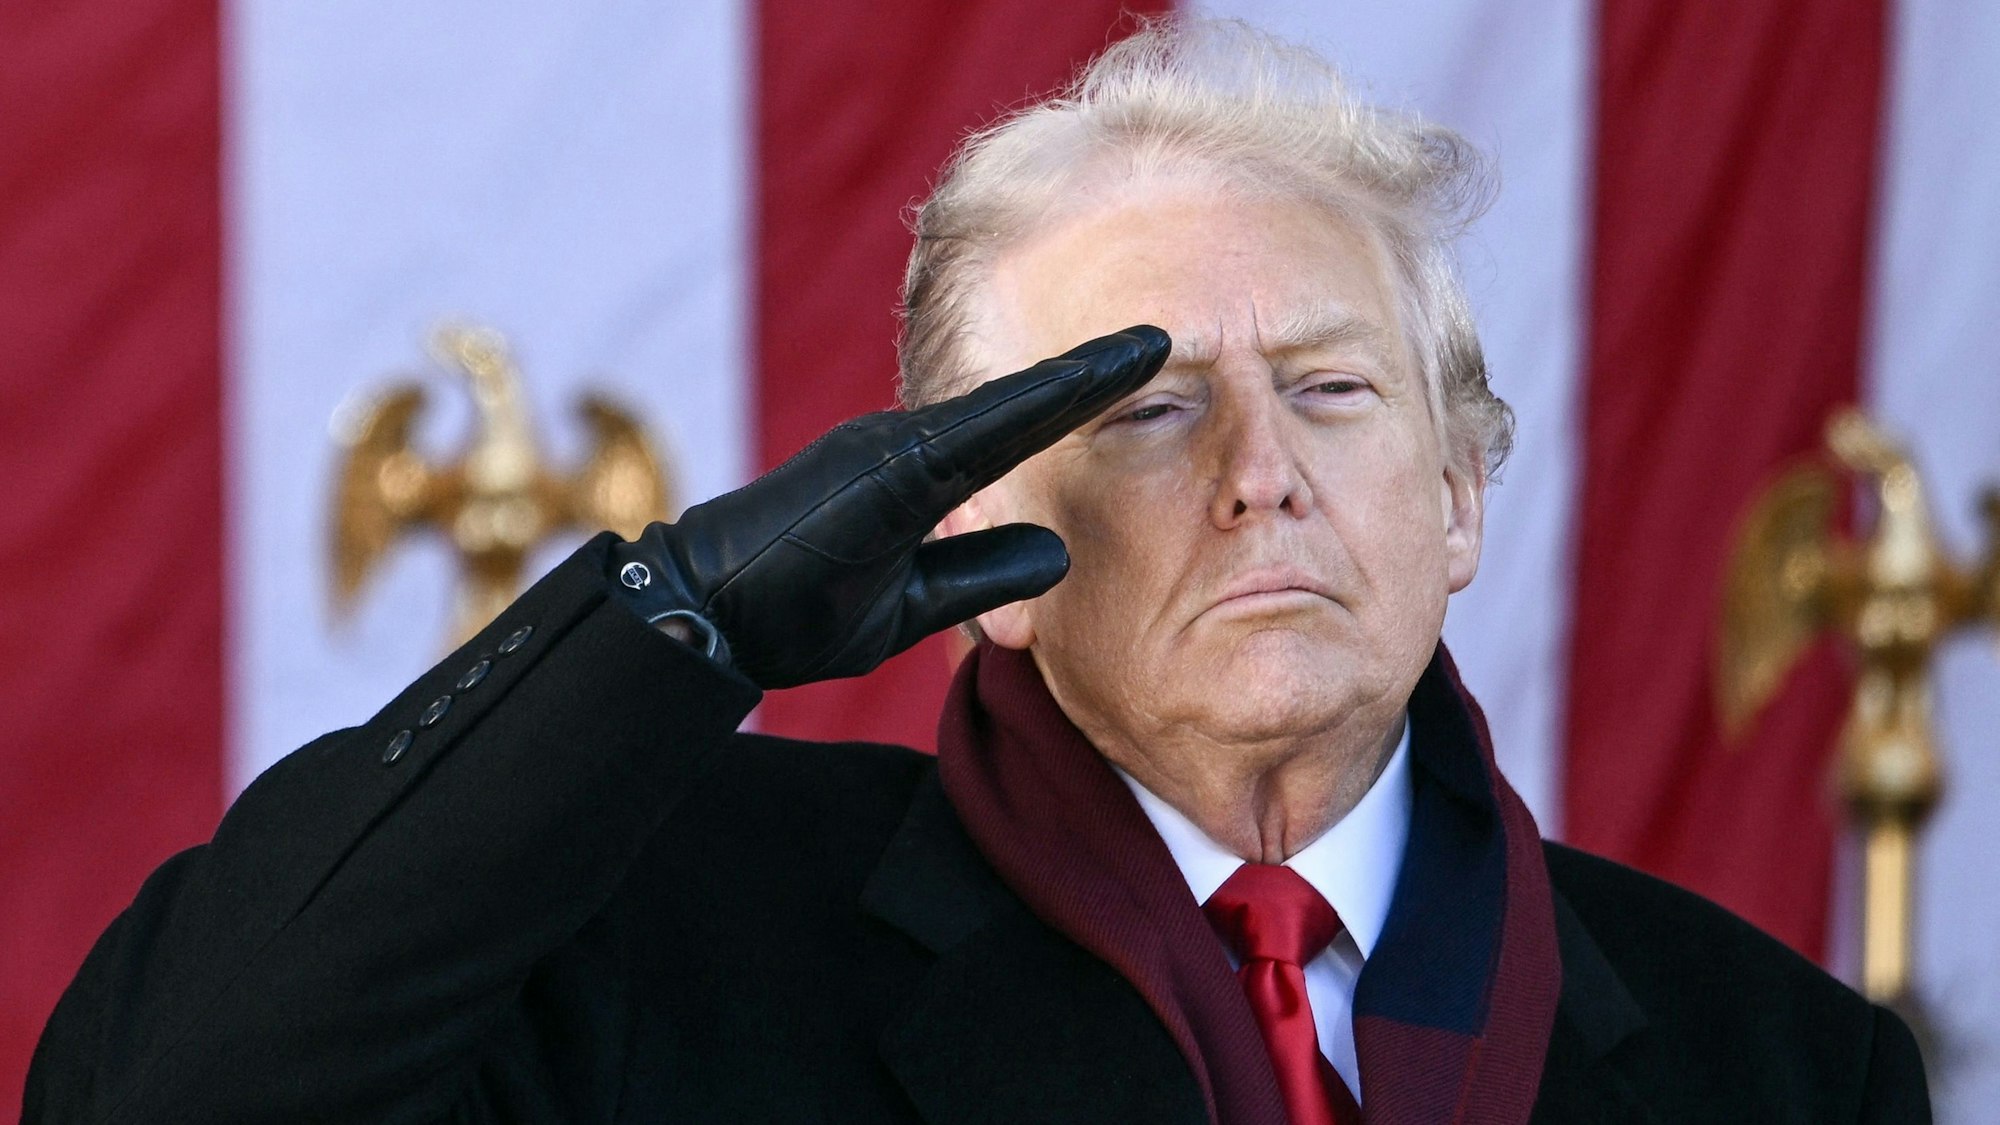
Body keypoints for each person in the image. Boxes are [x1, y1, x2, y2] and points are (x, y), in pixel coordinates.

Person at [26, 18, 1927, 1125]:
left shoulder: (1783, 1063)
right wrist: (662, 628)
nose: (1265, 477)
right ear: (977, 544)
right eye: (1155, 408)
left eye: (1333, 390)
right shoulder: (651, 939)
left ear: (1459, 502)